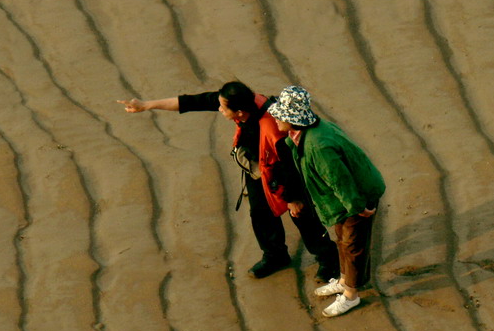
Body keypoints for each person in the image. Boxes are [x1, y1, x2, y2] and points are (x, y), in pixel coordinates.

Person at [118, 81, 339, 281]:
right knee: (261, 214)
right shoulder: (240, 101)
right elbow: (192, 102)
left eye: (223, 107)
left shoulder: (273, 127)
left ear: (239, 113)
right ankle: (275, 256)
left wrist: (293, 199)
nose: (219, 109)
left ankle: (329, 260)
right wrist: (147, 105)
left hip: (286, 173)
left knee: (303, 216)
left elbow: (289, 166)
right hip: (258, 169)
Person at [268, 86, 386, 317]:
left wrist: (359, 207)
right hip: (343, 199)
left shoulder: (317, 146)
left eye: (279, 115)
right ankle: (344, 280)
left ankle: (351, 294)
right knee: (342, 239)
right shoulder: (305, 134)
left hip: (357, 198)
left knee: (353, 245)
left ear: (292, 120)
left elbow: (340, 180)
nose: (275, 118)